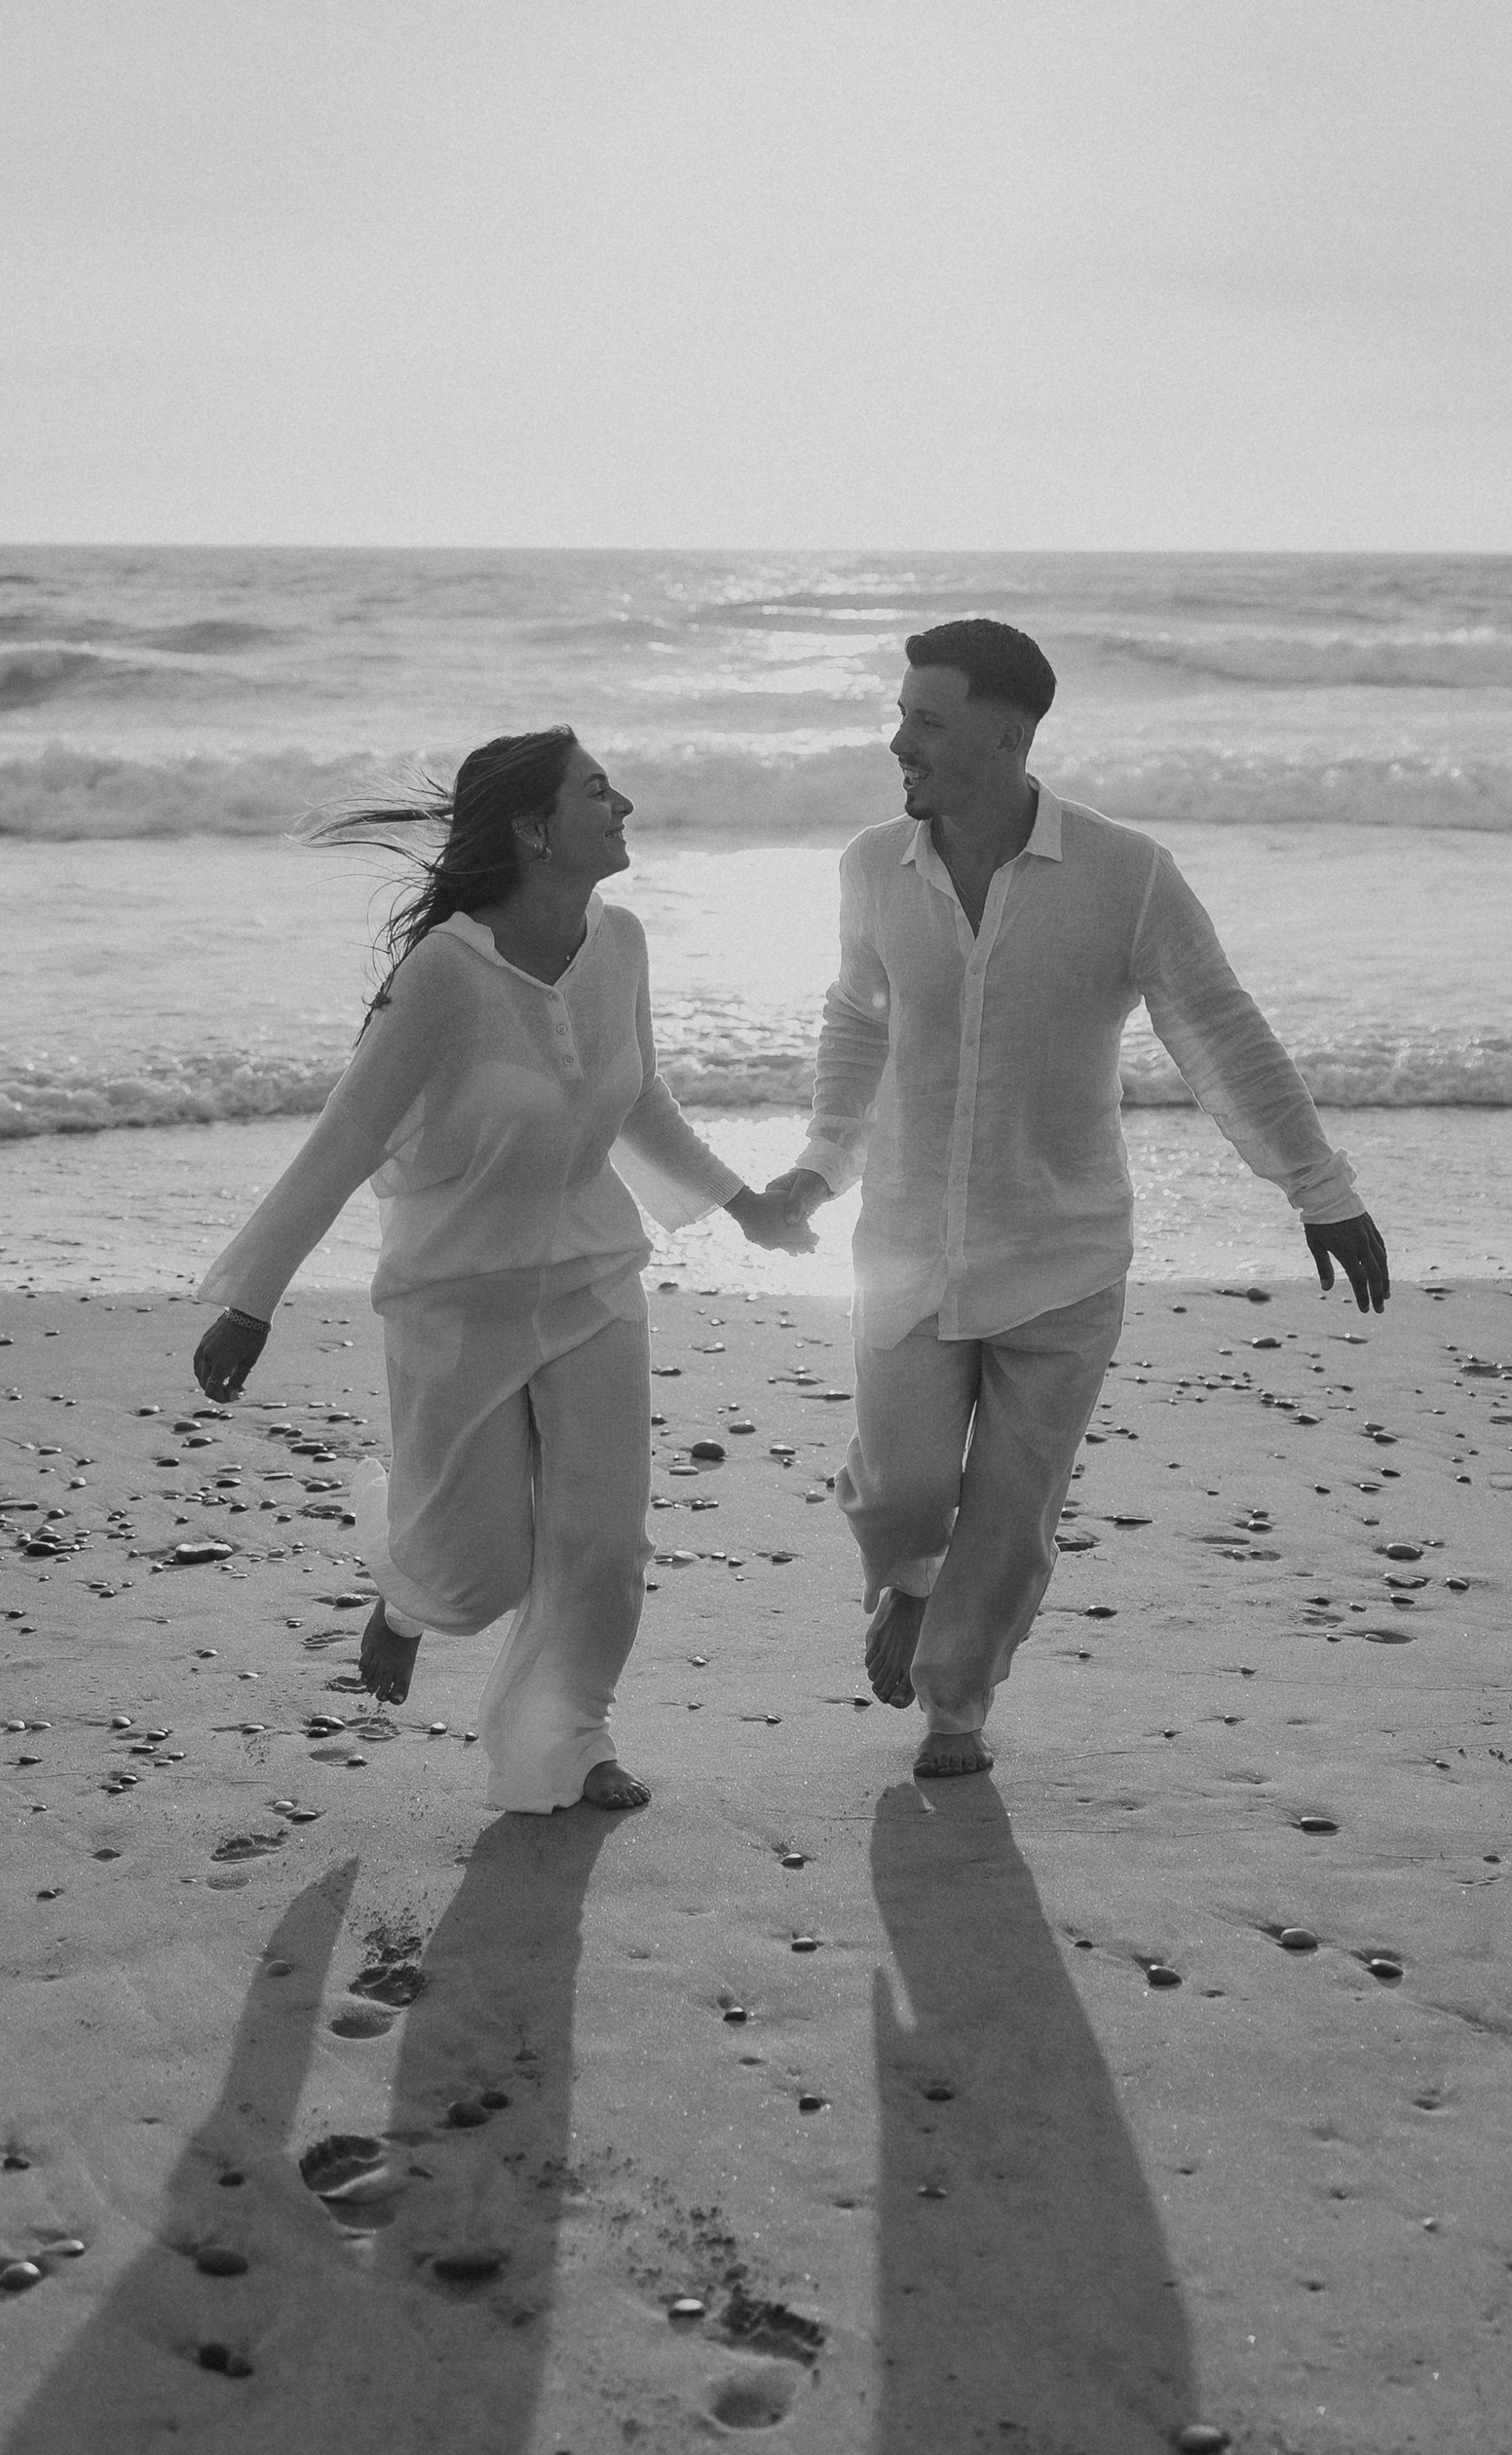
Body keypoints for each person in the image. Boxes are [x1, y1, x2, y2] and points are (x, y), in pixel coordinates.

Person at [750, 619, 1388, 1782]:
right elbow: (856, 1021)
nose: (899, 741)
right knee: (900, 1493)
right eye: (900, 716)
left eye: (925, 720)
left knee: (1010, 1505)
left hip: (1063, 1250)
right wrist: (818, 1164)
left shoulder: (1122, 873)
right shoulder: (867, 867)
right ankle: (906, 1579)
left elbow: (1216, 1028)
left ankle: (956, 1708)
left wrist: (1317, 1188)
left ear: (1006, 733)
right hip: (900, 1245)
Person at [191, 728, 811, 1814]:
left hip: (591, 1283)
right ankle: (401, 1577)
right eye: (597, 792)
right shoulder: (442, 974)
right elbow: (342, 1140)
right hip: (453, 1297)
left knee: (604, 1544)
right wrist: (250, 1302)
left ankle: (562, 1743)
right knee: (476, 1577)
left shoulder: (620, 944)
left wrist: (741, 1206)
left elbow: (640, 1100)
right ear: (532, 829)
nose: (625, 806)